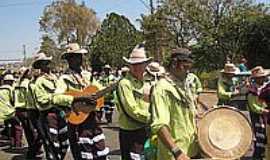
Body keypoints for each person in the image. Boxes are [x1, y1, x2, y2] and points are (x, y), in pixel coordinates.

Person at [56, 43, 109, 160]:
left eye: (80, 56)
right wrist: (78, 98)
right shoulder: (64, 79)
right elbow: (56, 98)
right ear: (69, 59)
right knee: (83, 154)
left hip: (92, 119)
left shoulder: (88, 75)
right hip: (77, 121)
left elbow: (98, 89)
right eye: (76, 56)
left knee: (100, 151)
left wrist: (106, 91)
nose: (79, 59)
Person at [150, 48, 199, 160]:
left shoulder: (184, 86)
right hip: (174, 155)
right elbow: (160, 125)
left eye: (189, 68)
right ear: (174, 64)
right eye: (185, 67)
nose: (187, 71)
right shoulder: (162, 89)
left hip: (191, 150)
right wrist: (177, 152)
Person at [33, 52, 81, 160]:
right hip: (48, 115)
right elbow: (41, 100)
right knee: (53, 145)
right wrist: (54, 98)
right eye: (45, 63)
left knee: (64, 143)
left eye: (48, 62)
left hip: (60, 114)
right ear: (40, 66)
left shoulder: (55, 78)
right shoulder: (39, 82)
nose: (48, 65)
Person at [116, 43, 151, 160]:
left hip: (145, 129)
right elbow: (132, 110)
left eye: (140, 64)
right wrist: (153, 118)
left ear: (145, 65)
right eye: (133, 65)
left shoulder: (146, 83)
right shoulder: (125, 83)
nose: (136, 67)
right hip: (130, 132)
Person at [13, 67, 43, 159]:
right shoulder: (28, 84)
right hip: (27, 109)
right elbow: (31, 98)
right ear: (27, 74)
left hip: (18, 110)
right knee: (36, 131)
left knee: (28, 131)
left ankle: (32, 149)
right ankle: (34, 151)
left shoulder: (17, 83)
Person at [248, 66, 270, 159]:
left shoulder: (265, 87)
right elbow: (253, 105)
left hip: (265, 115)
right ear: (255, 78)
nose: (262, 78)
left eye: (263, 77)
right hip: (257, 116)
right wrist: (263, 110)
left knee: (265, 135)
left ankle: (263, 154)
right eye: (260, 77)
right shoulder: (252, 90)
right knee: (259, 135)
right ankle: (257, 156)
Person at [0, 74, 17, 147]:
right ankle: (15, 143)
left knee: (7, 125)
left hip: (1, 112)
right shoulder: (11, 89)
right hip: (10, 111)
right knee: (16, 125)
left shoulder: (0, 89)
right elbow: (13, 100)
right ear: (11, 82)